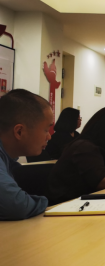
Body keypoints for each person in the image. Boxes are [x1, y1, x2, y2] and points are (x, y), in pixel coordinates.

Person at [0, 89, 52, 220]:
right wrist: (46, 202)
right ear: (19, 132)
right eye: (46, 129)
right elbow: (17, 205)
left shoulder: (8, 160)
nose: (49, 137)